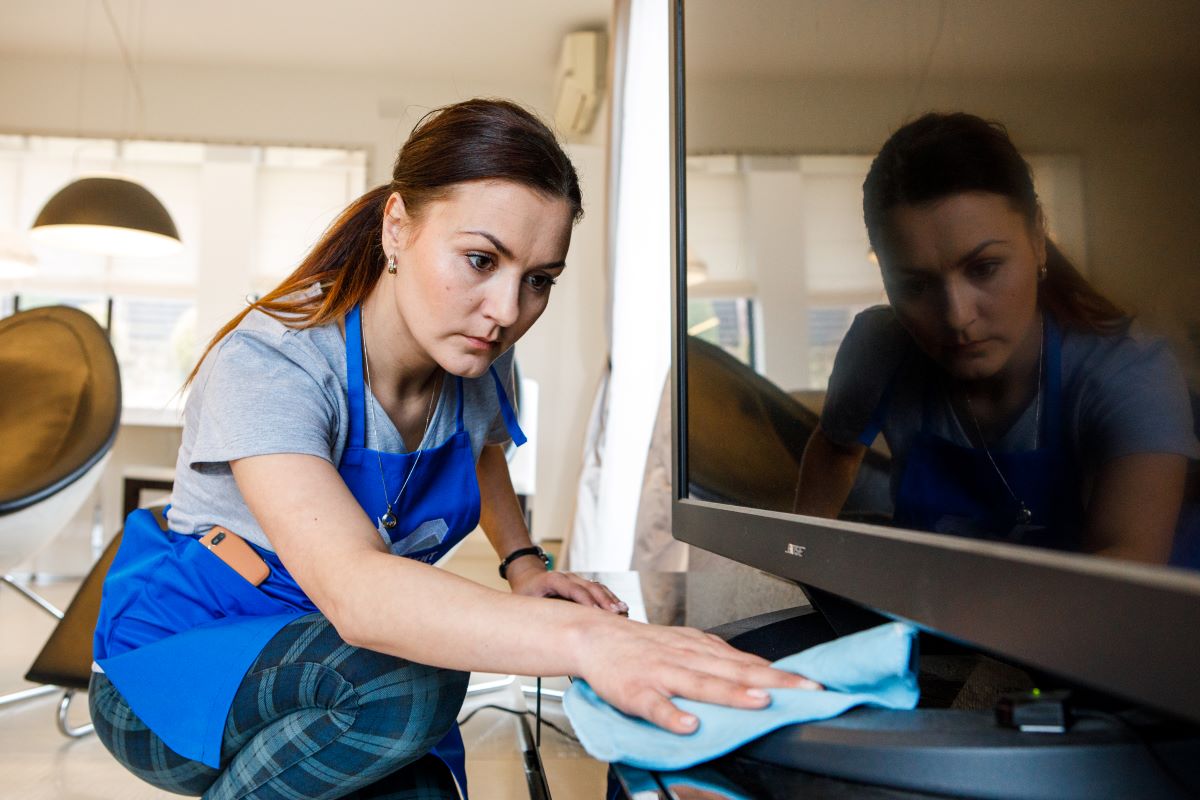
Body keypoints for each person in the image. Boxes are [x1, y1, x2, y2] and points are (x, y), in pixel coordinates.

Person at [90, 99, 814, 800]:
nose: (506, 313)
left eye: (538, 281)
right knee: (415, 682)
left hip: (339, 664)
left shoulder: (478, 361)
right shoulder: (273, 364)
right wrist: (587, 641)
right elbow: (357, 592)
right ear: (398, 227)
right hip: (178, 665)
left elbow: (482, 452)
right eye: (478, 259)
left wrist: (524, 565)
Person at [793, 112, 1198, 563]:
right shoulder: (879, 348)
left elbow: (1124, 566)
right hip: (934, 614)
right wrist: (798, 563)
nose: (957, 317)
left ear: (1037, 238)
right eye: (915, 285)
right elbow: (835, 448)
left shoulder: (1130, 373)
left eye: (984, 268)